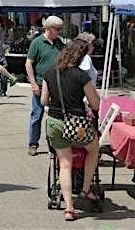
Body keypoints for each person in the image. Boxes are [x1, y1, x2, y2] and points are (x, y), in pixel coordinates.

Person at [41, 39, 101, 221]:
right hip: (77, 125)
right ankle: (85, 189)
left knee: (64, 164)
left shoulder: (49, 73)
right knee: (94, 149)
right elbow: (95, 104)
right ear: (81, 56)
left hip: (55, 122)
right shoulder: (82, 76)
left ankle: (69, 208)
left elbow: (44, 101)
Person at [25, 16, 65, 156]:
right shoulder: (37, 43)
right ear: (49, 28)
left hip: (57, 86)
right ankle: (33, 144)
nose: (60, 31)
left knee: (56, 117)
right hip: (41, 84)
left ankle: (55, 144)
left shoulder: (60, 44)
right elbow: (29, 63)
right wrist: (33, 84)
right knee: (37, 115)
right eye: (57, 29)